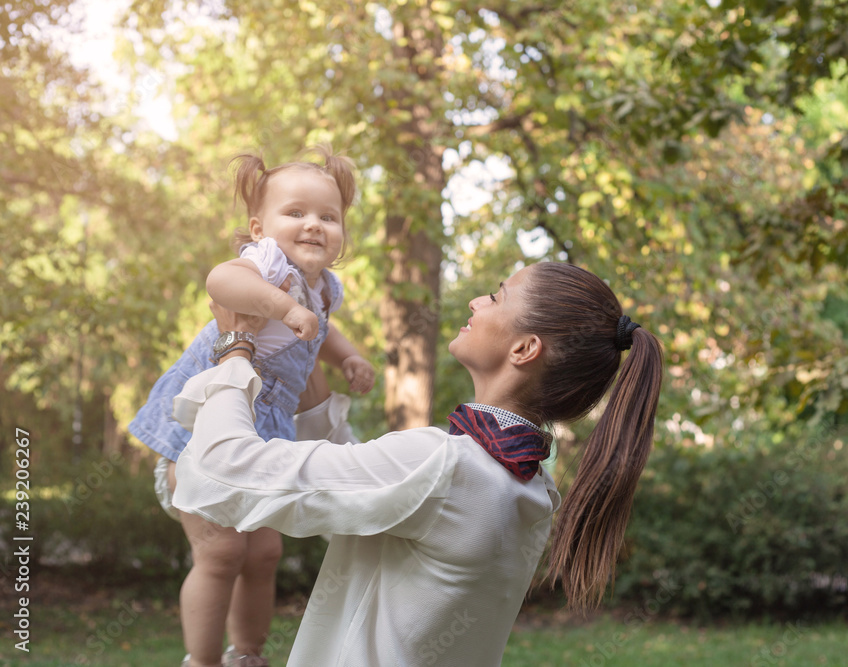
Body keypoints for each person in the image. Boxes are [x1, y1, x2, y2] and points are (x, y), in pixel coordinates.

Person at [170, 261, 663, 666]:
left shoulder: (444, 465)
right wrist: (311, 375)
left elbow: (224, 470)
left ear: (524, 348)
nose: (477, 302)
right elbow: (372, 489)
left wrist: (235, 347)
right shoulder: (532, 490)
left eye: (497, 297)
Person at [128, 147, 375, 667]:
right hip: (203, 425)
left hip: (268, 433)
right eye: (296, 212)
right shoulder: (267, 261)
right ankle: (202, 661)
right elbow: (222, 281)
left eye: (328, 217)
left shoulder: (326, 289)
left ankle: (248, 655)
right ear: (259, 228)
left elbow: (323, 332)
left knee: (264, 553)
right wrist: (282, 305)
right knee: (221, 552)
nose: (314, 224)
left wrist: (349, 357)